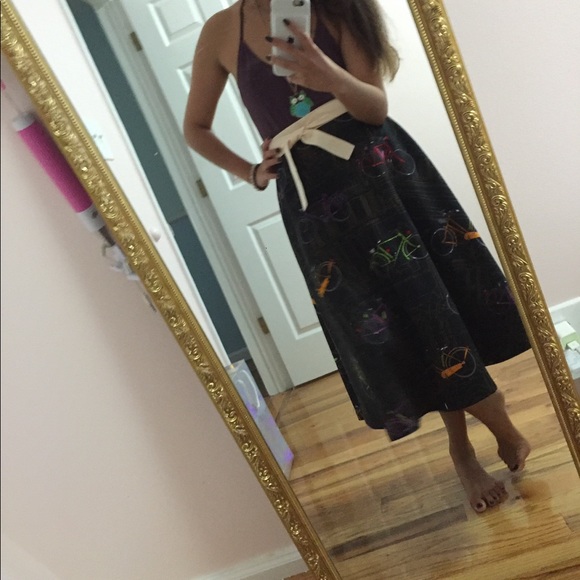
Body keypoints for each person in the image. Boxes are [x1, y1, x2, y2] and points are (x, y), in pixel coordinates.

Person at [183, 0, 531, 513]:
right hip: (311, 203)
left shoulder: (338, 5)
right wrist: (251, 173)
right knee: (394, 325)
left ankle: (472, 439)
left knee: (430, 304)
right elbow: (195, 127)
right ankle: (477, 429)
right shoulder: (219, 31)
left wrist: (326, 74)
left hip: (377, 173)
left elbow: (374, 108)